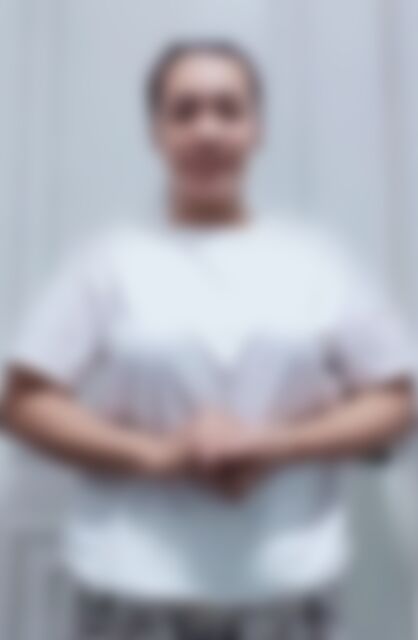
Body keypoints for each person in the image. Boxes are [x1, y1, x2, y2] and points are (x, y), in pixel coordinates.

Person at [2, 40, 416, 640]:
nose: (208, 130)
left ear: (257, 129)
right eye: (185, 110)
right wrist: (159, 454)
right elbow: (24, 400)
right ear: (157, 133)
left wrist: (273, 444)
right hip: (129, 583)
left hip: (286, 585)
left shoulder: (317, 264)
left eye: (228, 109)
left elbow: (395, 397)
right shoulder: (109, 263)